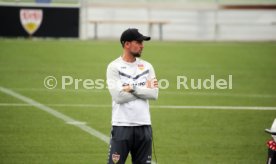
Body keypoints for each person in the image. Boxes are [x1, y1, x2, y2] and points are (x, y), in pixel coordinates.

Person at [106, 28, 159, 164]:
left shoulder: (147, 66)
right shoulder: (114, 67)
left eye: (143, 42)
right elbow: (118, 97)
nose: (142, 46)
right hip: (121, 126)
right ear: (127, 44)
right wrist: (143, 90)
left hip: (144, 127)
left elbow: (154, 94)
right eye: (138, 42)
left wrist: (132, 89)